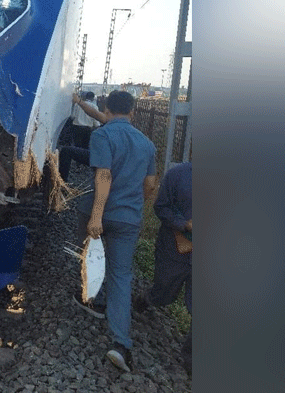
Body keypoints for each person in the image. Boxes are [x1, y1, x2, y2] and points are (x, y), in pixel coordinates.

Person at [70, 90, 158, 373]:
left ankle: (90, 298)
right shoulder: (147, 144)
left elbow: (103, 176)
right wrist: (132, 205)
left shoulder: (103, 135)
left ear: (107, 108)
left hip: (99, 212)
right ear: (132, 111)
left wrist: (97, 216)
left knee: (88, 254)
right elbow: (150, 185)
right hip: (127, 217)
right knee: (121, 276)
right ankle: (121, 344)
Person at [134, 161, 192, 377]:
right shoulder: (178, 175)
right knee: (165, 293)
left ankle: (192, 360)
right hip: (175, 249)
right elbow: (161, 207)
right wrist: (184, 224)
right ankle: (148, 298)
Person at [58, 91, 107, 182]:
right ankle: (81, 166)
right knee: (85, 146)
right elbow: (96, 121)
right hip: (87, 129)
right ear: (93, 98)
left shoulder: (77, 105)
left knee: (76, 146)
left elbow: (72, 116)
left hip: (76, 127)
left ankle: (76, 165)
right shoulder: (94, 107)